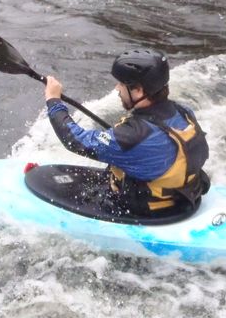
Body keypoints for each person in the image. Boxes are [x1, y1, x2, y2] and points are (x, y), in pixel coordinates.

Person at [44, 49, 210, 218]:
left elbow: (74, 140)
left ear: (138, 90)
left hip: (149, 210)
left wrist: (53, 100)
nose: (117, 88)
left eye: (122, 84)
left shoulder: (131, 137)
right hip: (183, 195)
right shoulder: (183, 112)